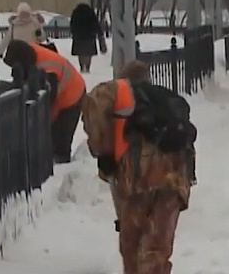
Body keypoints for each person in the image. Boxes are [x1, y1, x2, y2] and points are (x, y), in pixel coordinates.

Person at [80, 60, 196, 274]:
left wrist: (103, 154)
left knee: (132, 244)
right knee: (157, 248)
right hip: (175, 177)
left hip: (136, 177)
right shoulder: (166, 99)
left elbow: (94, 119)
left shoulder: (113, 90)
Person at [2, 39, 86, 164]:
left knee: (60, 140)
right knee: (49, 137)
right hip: (63, 92)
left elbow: (46, 101)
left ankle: (60, 167)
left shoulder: (47, 69)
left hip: (73, 96)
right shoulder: (28, 52)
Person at [70, 0, 104, 73]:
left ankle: (82, 66)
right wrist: (99, 32)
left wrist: (73, 32)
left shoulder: (75, 12)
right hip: (90, 36)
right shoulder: (90, 12)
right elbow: (95, 23)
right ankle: (88, 66)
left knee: (80, 53)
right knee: (89, 53)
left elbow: (72, 23)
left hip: (78, 36)